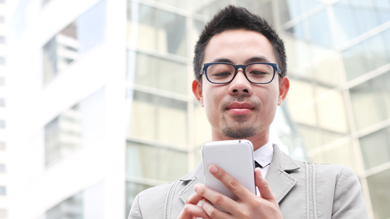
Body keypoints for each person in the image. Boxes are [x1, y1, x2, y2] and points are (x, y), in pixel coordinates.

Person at [128, 5, 368, 219]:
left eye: (258, 71)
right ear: (199, 92)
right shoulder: (148, 208)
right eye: (222, 72)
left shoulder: (335, 187)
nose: (239, 84)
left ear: (282, 91)